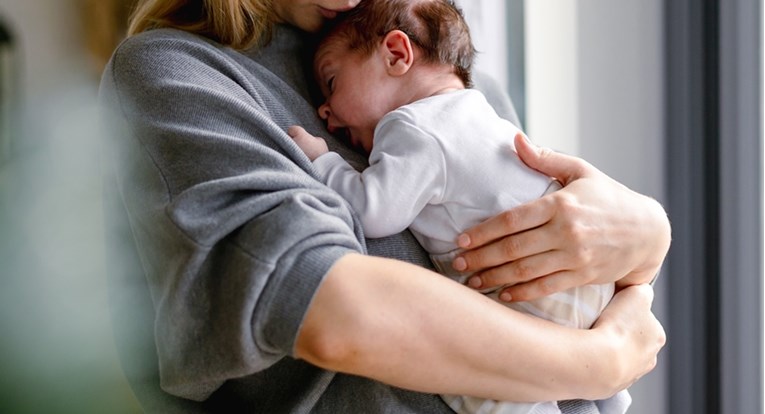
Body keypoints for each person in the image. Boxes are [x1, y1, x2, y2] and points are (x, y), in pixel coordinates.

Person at [98, 0, 670, 413]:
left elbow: (551, 285)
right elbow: (329, 305)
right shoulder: (178, 73)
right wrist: (602, 363)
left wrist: (648, 239)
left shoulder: (463, 86)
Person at [288, 1, 629, 413]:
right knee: (598, 390)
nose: (325, 112)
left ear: (396, 54)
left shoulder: (412, 126)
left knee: (490, 387)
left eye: (331, 82)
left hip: (528, 292)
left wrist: (323, 160)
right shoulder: (476, 108)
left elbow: (372, 211)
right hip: (578, 278)